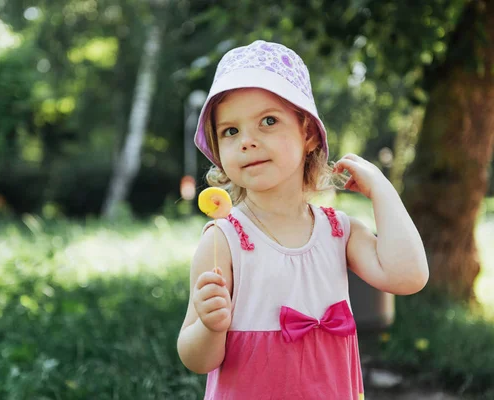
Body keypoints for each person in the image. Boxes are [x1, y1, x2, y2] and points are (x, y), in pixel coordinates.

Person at [176, 40, 429, 400]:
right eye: (230, 131)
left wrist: (382, 192)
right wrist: (209, 325)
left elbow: (409, 277)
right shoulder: (223, 240)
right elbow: (196, 358)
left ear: (308, 133)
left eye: (268, 121)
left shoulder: (339, 231)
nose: (247, 141)